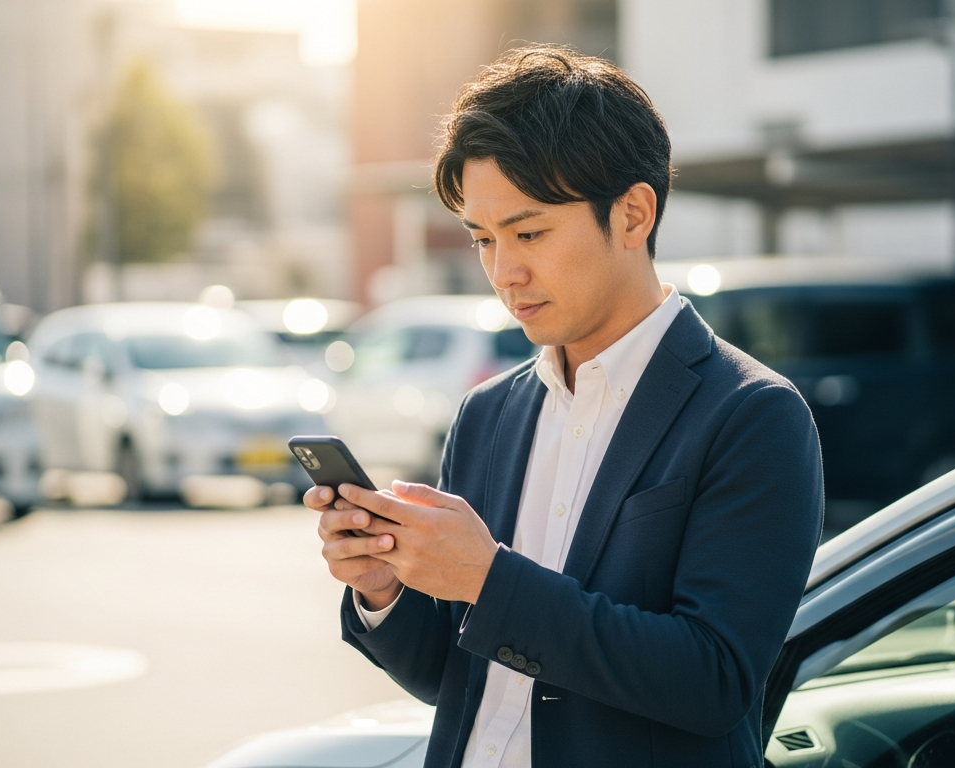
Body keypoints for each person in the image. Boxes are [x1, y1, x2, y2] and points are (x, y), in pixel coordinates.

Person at [307, 44, 823, 768]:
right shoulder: (487, 414)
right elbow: (460, 678)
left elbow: (713, 680)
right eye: (483, 239)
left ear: (634, 214)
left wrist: (488, 579)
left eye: (529, 233)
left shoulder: (751, 414)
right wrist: (385, 586)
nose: (503, 271)